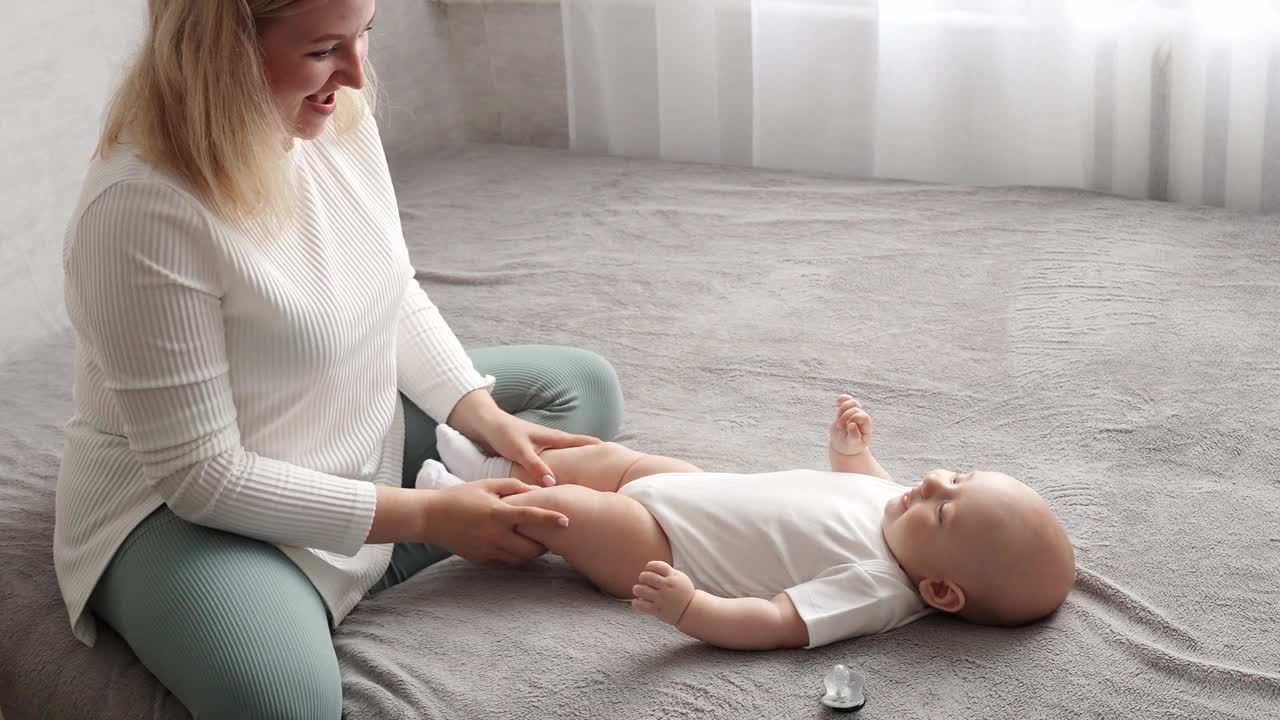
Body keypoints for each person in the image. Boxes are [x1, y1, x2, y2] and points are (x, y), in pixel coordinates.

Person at [52, 0, 622, 717]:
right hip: (188, 508)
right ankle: (332, 566)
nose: (354, 75)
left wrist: (472, 407)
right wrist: (428, 519)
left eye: (364, 38)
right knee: (280, 703)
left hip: (350, 426)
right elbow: (203, 478)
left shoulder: (336, 119)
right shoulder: (141, 210)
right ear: (218, 49)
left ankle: (379, 543)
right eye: (324, 49)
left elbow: (390, 288)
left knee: (578, 392)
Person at [422, 395, 1077, 650]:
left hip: (666, 546)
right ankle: (490, 458)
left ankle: (471, 496)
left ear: (938, 590)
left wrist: (691, 608)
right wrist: (851, 449)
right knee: (610, 459)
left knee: (571, 513)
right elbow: (857, 478)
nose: (932, 481)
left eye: (946, 505)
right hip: (693, 488)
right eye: (956, 474)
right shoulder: (895, 505)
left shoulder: (878, 588)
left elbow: (777, 623)